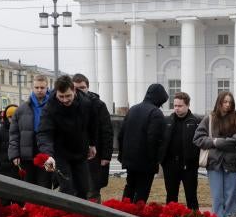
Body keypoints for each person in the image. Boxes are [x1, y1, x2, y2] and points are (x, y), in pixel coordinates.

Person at [37, 75, 97, 199]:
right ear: (56, 93)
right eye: (61, 96)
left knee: (83, 189)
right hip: (60, 154)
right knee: (67, 190)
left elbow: (92, 124)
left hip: (80, 152)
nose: (65, 100)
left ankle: (80, 211)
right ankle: (66, 210)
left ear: (74, 90)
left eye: (68, 96)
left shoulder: (86, 103)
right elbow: (44, 133)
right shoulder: (50, 107)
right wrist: (48, 155)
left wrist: (92, 144)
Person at [193, 91, 236, 217]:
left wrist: (217, 142)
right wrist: (215, 142)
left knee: (231, 196)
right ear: (219, 102)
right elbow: (198, 138)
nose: (227, 105)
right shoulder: (209, 118)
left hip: (232, 163)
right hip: (214, 163)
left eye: (230, 102)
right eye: (225, 102)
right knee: (217, 197)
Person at [118, 83, 168, 203]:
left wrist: (122, 154)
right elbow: (153, 139)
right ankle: (136, 213)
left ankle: (122, 211)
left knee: (130, 186)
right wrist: (155, 160)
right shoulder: (156, 113)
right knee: (142, 191)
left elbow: (121, 134)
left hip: (129, 159)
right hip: (146, 161)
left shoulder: (133, 109)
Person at [72, 73, 113, 202]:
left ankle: (94, 215)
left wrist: (106, 156)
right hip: (75, 155)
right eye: (76, 88)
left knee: (92, 191)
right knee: (74, 190)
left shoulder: (99, 105)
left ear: (88, 87)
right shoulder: (68, 104)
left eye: (82, 87)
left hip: (95, 155)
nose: (79, 91)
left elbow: (107, 131)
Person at [159, 91, 201, 210]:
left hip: (189, 166)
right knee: (171, 197)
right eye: (175, 105)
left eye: (180, 106)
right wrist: (162, 160)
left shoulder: (196, 121)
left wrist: (194, 160)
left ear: (187, 105)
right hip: (170, 165)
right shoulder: (167, 121)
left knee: (191, 197)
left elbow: (200, 142)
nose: (177, 108)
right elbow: (161, 141)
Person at [9, 75, 52, 189]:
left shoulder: (53, 107)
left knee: (45, 187)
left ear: (47, 88)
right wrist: (15, 154)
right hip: (27, 155)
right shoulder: (21, 109)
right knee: (28, 187)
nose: (39, 90)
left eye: (42, 87)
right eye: (36, 87)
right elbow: (14, 134)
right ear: (32, 88)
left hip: (46, 153)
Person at [0, 104, 20, 181]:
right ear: (6, 117)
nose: (13, 119)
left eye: (15, 116)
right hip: (3, 169)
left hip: (18, 168)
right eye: (10, 117)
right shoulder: (0, 130)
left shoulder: (22, 129)